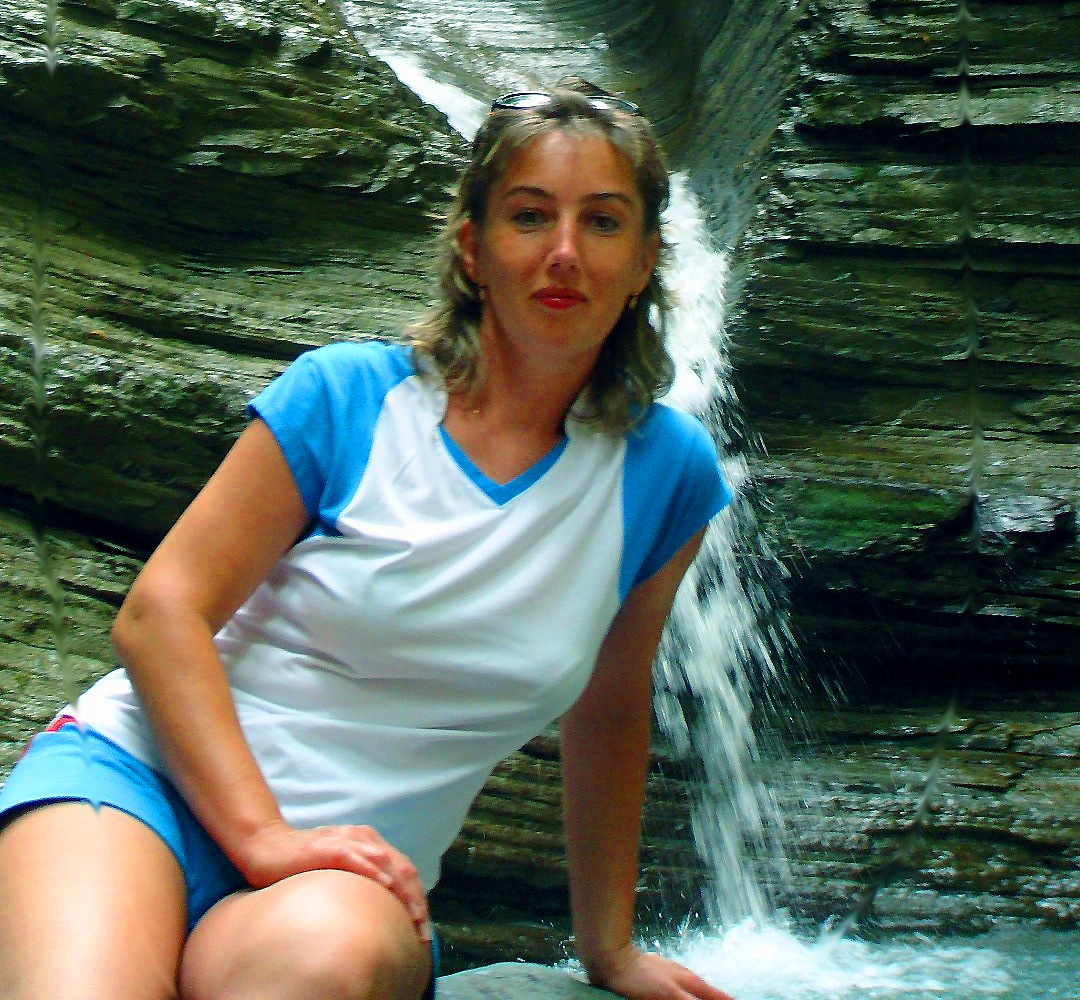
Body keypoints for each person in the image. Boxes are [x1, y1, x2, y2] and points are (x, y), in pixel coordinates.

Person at [0, 82, 737, 1000]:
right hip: (133, 790)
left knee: (324, 965)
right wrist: (263, 838)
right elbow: (160, 614)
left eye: (602, 222)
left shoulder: (666, 474)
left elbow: (612, 707)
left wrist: (610, 951)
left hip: (349, 884)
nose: (563, 252)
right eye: (528, 215)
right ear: (471, 248)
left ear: (644, 261)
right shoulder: (348, 397)